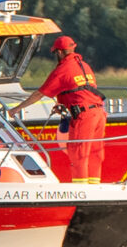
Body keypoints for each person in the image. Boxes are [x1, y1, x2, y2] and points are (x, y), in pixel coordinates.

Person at [16, 35, 106, 172]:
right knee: (94, 154)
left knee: (78, 155)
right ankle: (94, 186)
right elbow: (81, 90)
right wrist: (65, 104)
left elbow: (39, 94)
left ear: (59, 52)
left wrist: (15, 110)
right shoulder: (85, 66)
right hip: (99, 113)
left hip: (85, 115)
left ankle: (79, 189)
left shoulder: (63, 69)